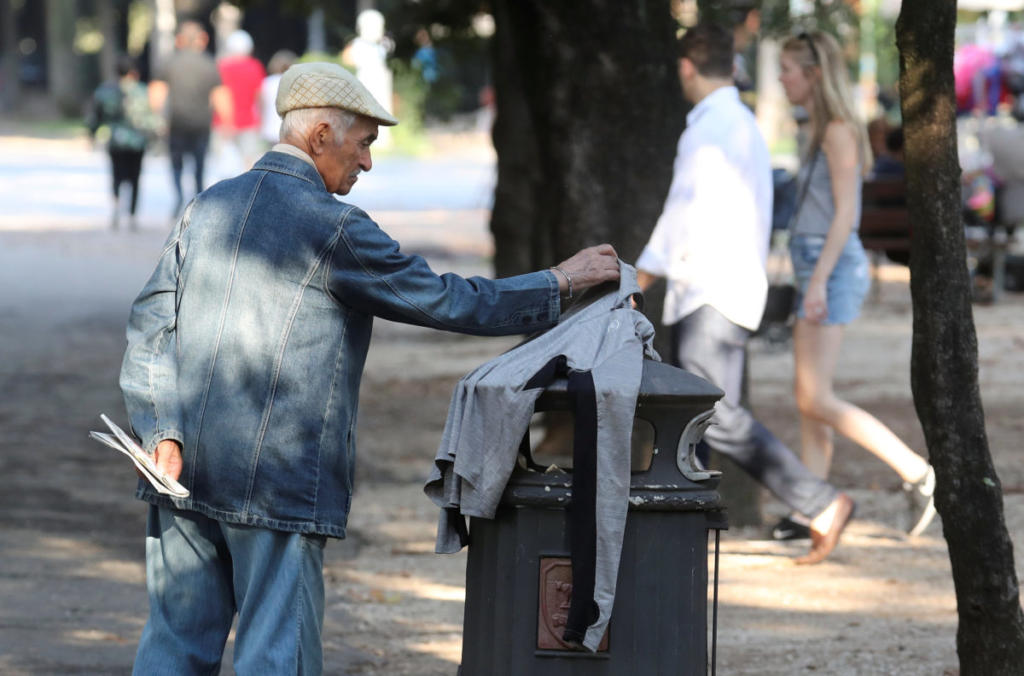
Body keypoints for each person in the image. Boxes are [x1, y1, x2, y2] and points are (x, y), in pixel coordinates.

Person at [120, 61, 621, 674]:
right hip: (277, 482)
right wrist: (558, 283)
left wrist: (160, 429)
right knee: (277, 658)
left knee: (173, 650)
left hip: (180, 472)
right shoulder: (334, 228)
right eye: (364, 143)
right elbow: (446, 299)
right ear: (321, 135)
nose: (367, 162)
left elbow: (150, 323)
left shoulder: (207, 208)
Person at [635, 23, 854, 565]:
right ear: (731, 66)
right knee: (701, 416)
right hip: (723, 288)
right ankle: (687, 528)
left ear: (687, 68)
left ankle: (820, 501)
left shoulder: (711, 128)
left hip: (712, 291)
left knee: (716, 416)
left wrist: (641, 277)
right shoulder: (738, 122)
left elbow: (680, 211)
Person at [778, 30, 935, 539]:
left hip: (831, 266)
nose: (781, 79)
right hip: (815, 264)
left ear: (814, 74)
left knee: (813, 397)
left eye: (788, 70)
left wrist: (818, 281)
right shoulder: (820, 128)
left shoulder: (839, 129)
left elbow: (847, 213)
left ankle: (917, 471)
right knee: (810, 398)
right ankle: (812, 507)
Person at [149, 21, 231, 218]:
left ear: (180, 40)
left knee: (176, 163)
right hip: (202, 123)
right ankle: (198, 198)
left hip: (176, 122)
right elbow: (221, 96)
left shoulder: (169, 62)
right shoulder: (209, 63)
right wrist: (228, 122)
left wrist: (158, 118)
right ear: (202, 40)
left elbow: (156, 95)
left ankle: (178, 196)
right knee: (199, 162)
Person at [86, 55, 161, 230]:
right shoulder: (143, 91)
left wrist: (91, 134)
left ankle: (116, 207)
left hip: (116, 140)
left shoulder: (105, 91)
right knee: (135, 177)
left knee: (117, 175)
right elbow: (151, 118)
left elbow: (95, 117)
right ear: (134, 72)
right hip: (137, 141)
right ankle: (133, 215)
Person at [214, 29, 266, 170]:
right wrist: (261, 117)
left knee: (221, 164)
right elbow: (259, 95)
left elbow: (217, 95)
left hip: (223, 122)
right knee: (249, 163)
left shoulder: (221, 66)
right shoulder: (255, 66)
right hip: (248, 121)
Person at [259, 49, 297, 147]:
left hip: (269, 129)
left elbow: (260, 106)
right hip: (289, 129)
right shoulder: (293, 82)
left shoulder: (266, 83)